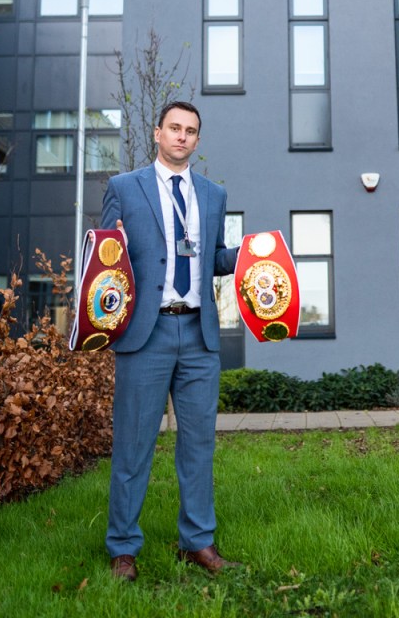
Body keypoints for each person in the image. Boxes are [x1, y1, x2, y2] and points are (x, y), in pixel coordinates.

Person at [102, 100, 241, 581]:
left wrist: (252, 255)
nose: (182, 136)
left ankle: (197, 542)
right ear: (158, 133)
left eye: (191, 131)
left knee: (199, 445)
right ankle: (123, 547)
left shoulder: (213, 194)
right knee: (133, 445)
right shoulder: (123, 187)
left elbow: (215, 258)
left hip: (199, 334)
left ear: (197, 141)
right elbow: (107, 256)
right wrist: (110, 245)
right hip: (146, 333)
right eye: (175, 128)